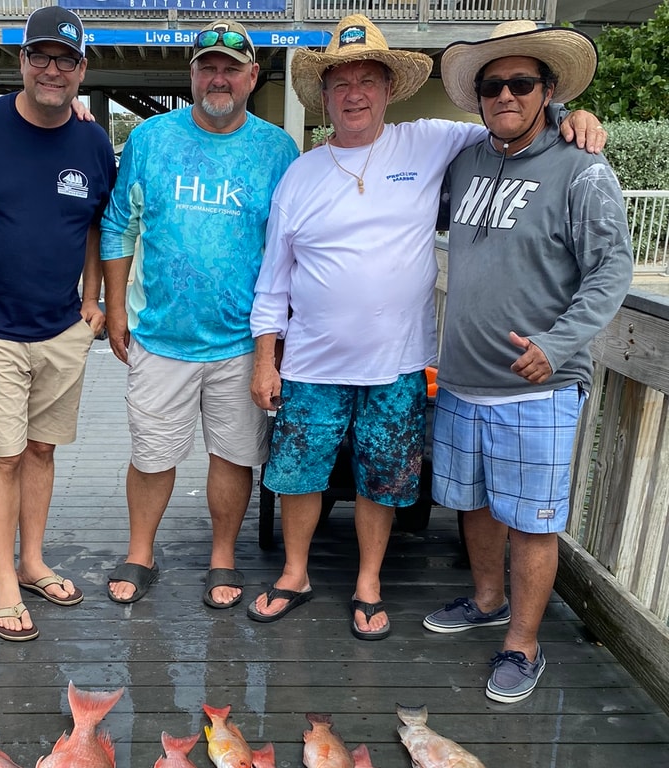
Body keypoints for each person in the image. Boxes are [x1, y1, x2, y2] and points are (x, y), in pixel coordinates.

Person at [247, 14, 604, 638]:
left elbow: (515, 120)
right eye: (340, 83)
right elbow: (274, 278)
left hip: (398, 361)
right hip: (309, 361)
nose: (354, 93)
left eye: (367, 80)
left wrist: (575, 115)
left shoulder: (433, 140)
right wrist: (263, 357)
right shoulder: (298, 175)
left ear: (390, 89)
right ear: (324, 96)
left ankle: (368, 582)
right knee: (298, 474)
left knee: (381, 478)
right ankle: (295, 573)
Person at [423, 21, 633, 702]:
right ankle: (487, 601)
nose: (505, 94)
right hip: (461, 381)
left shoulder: (582, 168)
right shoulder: (466, 163)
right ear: (478, 97)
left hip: (537, 386)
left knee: (535, 522)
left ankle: (523, 644)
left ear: (548, 90)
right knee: (477, 504)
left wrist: (558, 345)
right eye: (492, 85)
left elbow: (610, 271)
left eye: (521, 82)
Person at [100, 20, 299, 610]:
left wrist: (278, 339)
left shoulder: (277, 149)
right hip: (160, 334)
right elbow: (118, 223)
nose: (219, 78)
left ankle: (223, 555)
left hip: (242, 340)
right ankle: (141, 552)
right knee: (152, 453)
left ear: (252, 77)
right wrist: (115, 308)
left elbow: (291, 246)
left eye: (231, 69)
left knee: (234, 455)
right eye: (208, 67)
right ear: (191, 75)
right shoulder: (150, 139)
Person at [0, 7, 116, 642]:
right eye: (40, 56)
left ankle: (33, 559)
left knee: (42, 448)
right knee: (5, 454)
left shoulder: (93, 142)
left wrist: (93, 299)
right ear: (21, 61)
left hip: (62, 326)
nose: (52, 69)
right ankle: (3, 581)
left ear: (80, 70)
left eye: (65, 59)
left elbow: (99, 222)